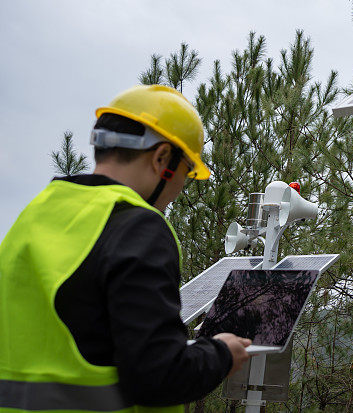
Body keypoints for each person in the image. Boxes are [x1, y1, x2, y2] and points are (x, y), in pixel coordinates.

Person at [0, 84, 252, 412]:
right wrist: (220, 353)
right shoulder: (138, 228)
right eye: (186, 172)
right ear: (162, 158)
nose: (179, 188)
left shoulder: (35, 214)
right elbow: (157, 376)